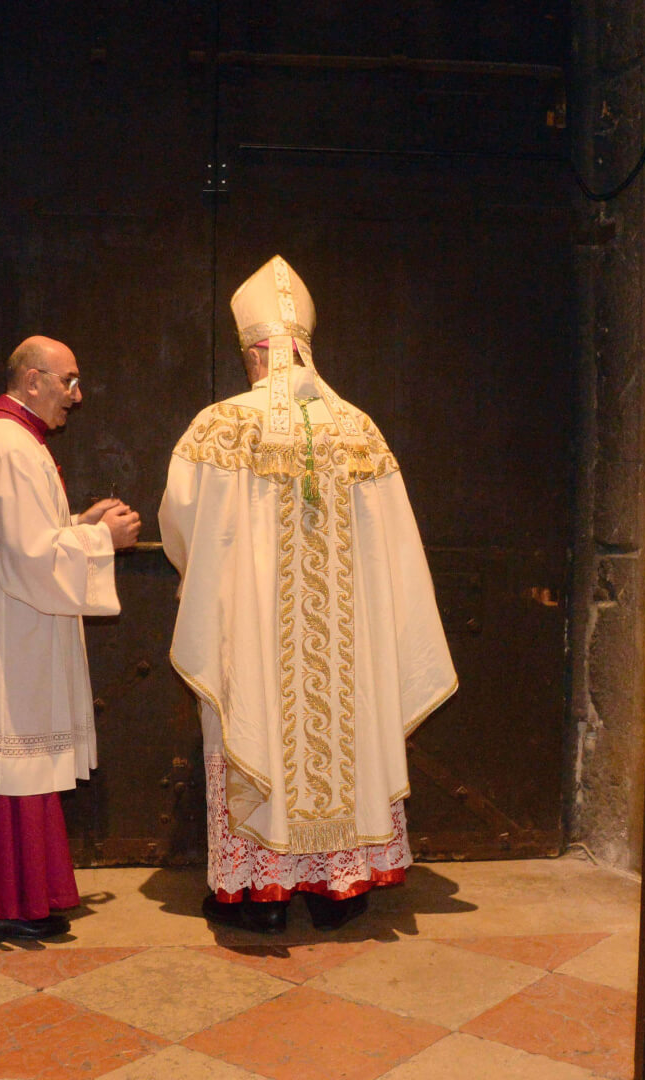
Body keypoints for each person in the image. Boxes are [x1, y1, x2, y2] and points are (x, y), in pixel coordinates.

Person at [160, 256, 457, 934]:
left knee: (255, 730)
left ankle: (260, 899)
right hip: (350, 652)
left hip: (253, 641)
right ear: (303, 346)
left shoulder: (220, 425)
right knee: (350, 734)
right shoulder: (361, 429)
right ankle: (340, 891)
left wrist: (210, 579)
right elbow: (397, 548)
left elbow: (181, 524)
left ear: (254, 352)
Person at [0, 335, 141, 943]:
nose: (77, 395)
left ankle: (3, 895)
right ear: (33, 379)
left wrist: (77, 524)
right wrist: (102, 541)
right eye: (69, 381)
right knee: (9, 758)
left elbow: (17, 538)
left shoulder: (0, 437)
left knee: (4, 762)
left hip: (0, 625)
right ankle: (2, 900)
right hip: (5, 639)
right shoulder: (12, 446)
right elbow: (26, 558)